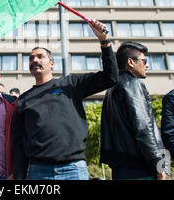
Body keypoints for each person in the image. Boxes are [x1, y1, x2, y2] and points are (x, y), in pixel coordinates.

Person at [12, 19, 118, 180]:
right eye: (31, 58)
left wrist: (104, 42)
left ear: (52, 63)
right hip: (37, 172)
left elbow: (111, 78)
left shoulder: (71, 84)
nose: (34, 60)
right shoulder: (23, 100)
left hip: (73, 169)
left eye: (40, 56)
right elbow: (18, 143)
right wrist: (19, 177)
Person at [100, 41, 169, 180]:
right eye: (144, 61)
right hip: (140, 166)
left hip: (121, 165)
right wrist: (159, 165)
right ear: (131, 62)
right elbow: (143, 126)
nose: (147, 65)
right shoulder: (133, 84)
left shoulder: (112, 88)